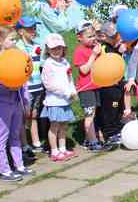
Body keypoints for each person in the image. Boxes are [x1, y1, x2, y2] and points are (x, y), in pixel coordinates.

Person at [0, 26, 36, 181]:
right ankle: (4, 170)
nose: (14, 42)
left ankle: (19, 165)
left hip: (17, 103)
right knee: (2, 137)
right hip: (4, 104)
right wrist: (6, 86)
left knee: (16, 134)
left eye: (15, 39)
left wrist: (26, 101)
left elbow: (23, 80)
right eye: (11, 39)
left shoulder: (17, 57)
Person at [40, 33, 77, 162]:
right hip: (54, 101)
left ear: (63, 49)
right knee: (54, 126)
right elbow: (49, 85)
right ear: (48, 50)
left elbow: (69, 79)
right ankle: (54, 151)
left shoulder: (65, 62)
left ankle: (62, 148)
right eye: (52, 48)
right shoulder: (48, 64)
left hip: (65, 101)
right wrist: (66, 92)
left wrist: (73, 91)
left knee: (64, 126)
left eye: (58, 48)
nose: (56, 51)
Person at [15, 16, 48, 154]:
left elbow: (41, 64)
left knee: (34, 115)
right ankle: (24, 144)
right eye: (29, 28)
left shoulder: (36, 46)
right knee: (23, 116)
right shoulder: (18, 47)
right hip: (25, 88)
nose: (33, 31)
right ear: (21, 31)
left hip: (38, 87)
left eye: (34, 28)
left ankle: (35, 141)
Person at [72, 20, 107, 152]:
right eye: (89, 36)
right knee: (89, 115)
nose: (93, 39)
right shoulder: (79, 51)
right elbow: (84, 70)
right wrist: (93, 55)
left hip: (96, 86)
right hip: (86, 89)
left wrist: (100, 52)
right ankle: (92, 142)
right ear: (79, 37)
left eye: (94, 35)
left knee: (94, 114)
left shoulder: (95, 48)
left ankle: (89, 139)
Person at [96, 22, 126, 146]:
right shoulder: (103, 48)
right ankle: (110, 133)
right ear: (103, 36)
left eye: (116, 35)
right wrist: (119, 53)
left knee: (118, 108)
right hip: (108, 87)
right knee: (110, 110)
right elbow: (110, 63)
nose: (116, 38)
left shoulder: (113, 46)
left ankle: (117, 129)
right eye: (112, 36)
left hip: (117, 84)